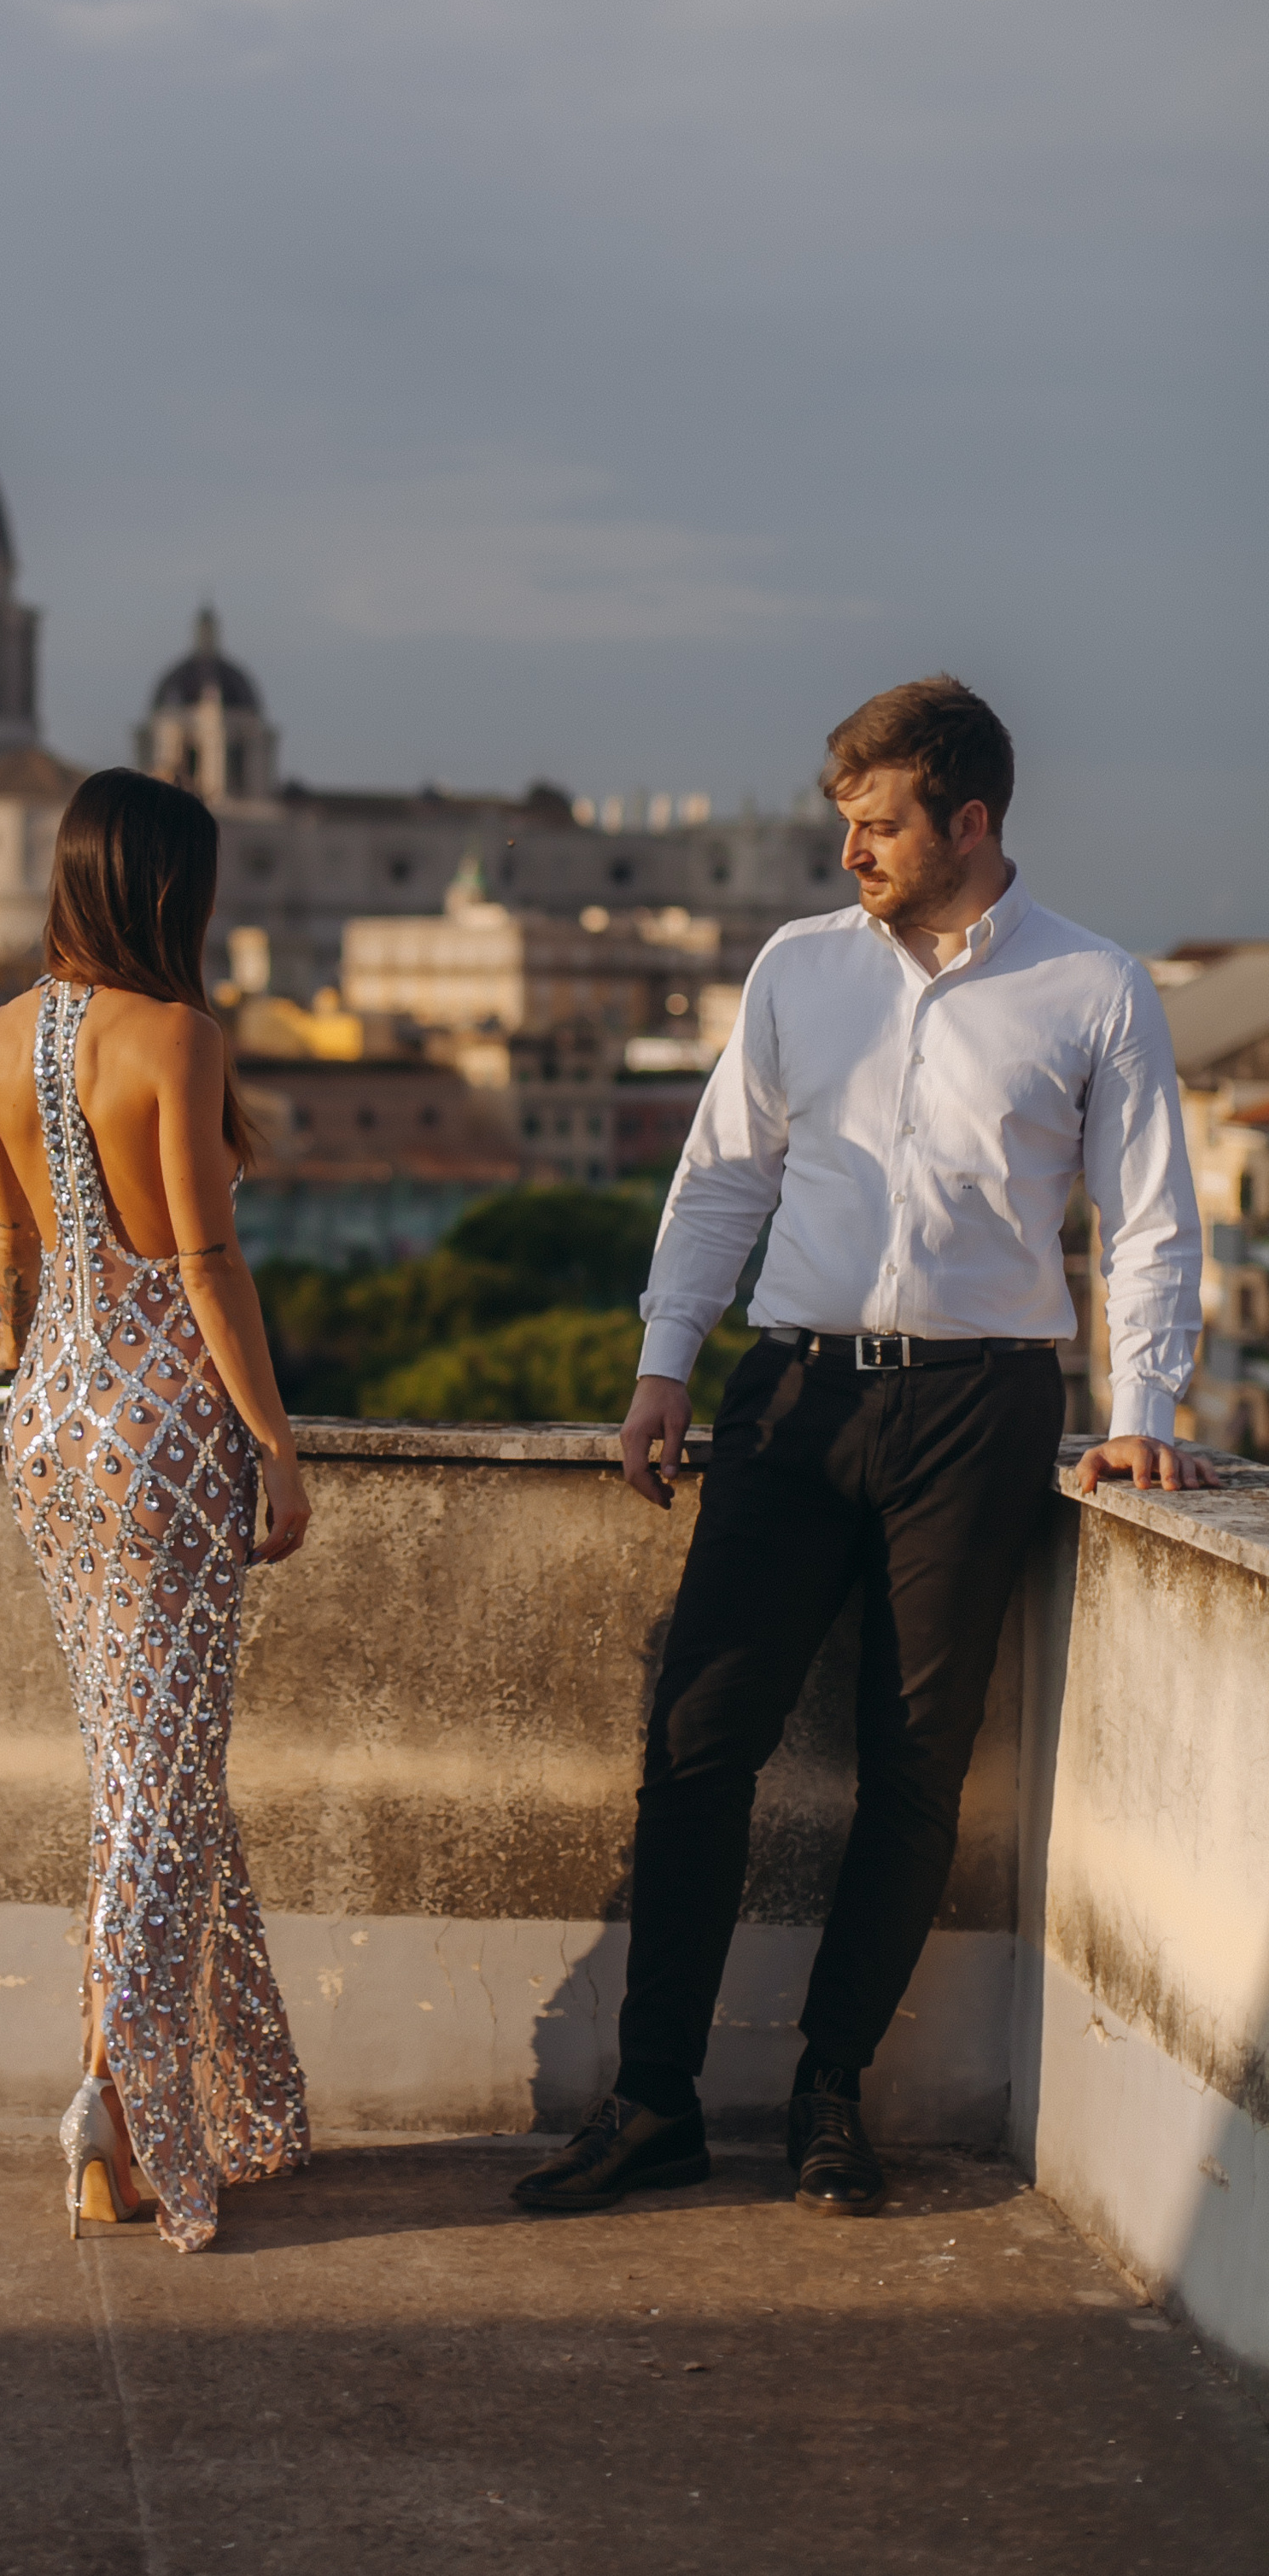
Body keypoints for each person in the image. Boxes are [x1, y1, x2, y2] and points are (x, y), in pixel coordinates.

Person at [513, 674, 1214, 2227]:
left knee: (913, 1771)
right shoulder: (797, 970)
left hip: (981, 1409)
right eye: (845, 823)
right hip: (797, 1394)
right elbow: (719, 1181)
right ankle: (655, 2103)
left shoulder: (1094, 987)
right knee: (697, 1742)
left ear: (971, 822)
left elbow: (1152, 1219)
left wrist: (1145, 1415)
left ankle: (832, 2096)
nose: (853, 853)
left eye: (881, 824)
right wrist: (662, 1368)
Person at [0, 766, 313, 2252]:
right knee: (161, 1782)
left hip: (50, 1420)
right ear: (175, 890)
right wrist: (278, 1449)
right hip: (167, 1424)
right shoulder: (175, 1034)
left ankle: (216, 2101)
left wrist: (10, 1343)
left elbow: (11, 1245)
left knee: (141, 1763)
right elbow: (206, 1265)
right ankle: (114, 2104)